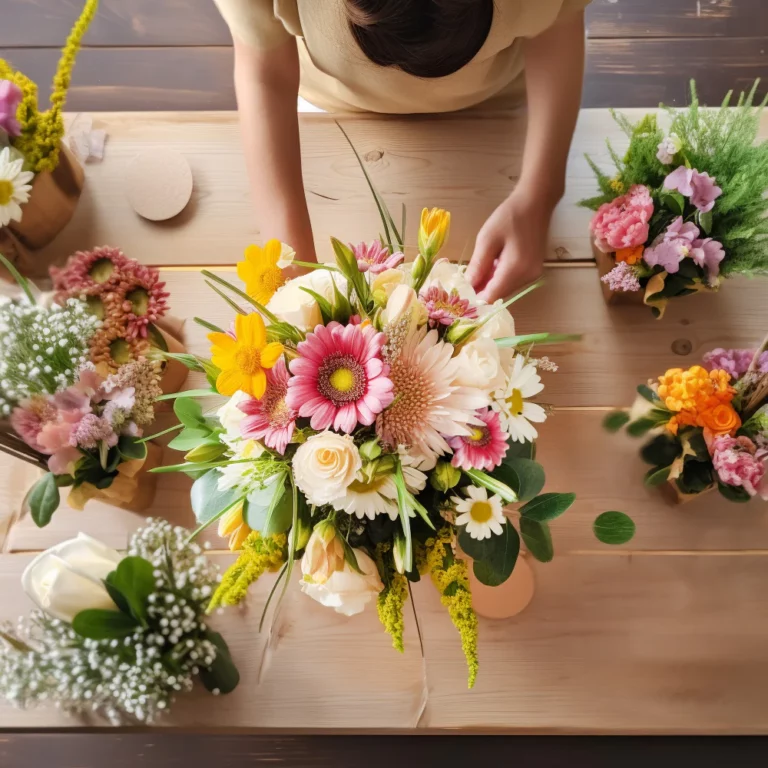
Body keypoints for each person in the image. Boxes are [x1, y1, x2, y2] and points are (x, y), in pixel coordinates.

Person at [213, 0, 588, 301]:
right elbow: (266, 69)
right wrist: (289, 258)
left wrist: (540, 194)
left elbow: (557, 26)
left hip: (495, 101)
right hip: (336, 103)